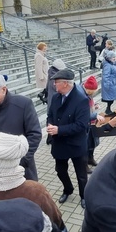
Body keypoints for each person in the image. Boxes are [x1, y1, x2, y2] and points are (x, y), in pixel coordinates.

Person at [0, 73, 42, 181]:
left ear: (3, 89)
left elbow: (35, 135)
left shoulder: (24, 104)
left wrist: (19, 162)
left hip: (22, 170)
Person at [46, 68, 90, 208]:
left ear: (65, 83)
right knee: (60, 170)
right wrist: (50, 124)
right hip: (59, 142)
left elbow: (81, 125)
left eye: (56, 82)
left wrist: (59, 129)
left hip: (76, 143)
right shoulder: (56, 97)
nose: (54, 85)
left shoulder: (81, 99)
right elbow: (50, 115)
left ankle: (84, 195)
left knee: (81, 174)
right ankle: (68, 189)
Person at [83, 75, 101, 168]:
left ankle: (90, 158)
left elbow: (90, 107)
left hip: (92, 123)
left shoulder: (89, 95)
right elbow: (84, 114)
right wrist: (95, 115)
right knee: (86, 145)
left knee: (92, 143)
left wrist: (95, 106)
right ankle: (84, 163)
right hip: (86, 123)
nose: (94, 93)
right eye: (92, 91)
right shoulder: (83, 96)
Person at [100, 49, 116, 115]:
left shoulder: (111, 64)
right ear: (109, 58)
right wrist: (107, 85)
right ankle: (108, 109)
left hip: (112, 84)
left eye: (115, 57)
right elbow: (105, 76)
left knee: (111, 98)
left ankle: (108, 109)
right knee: (110, 98)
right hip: (110, 84)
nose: (115, 58)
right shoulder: (107, 65)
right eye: (113, 57)